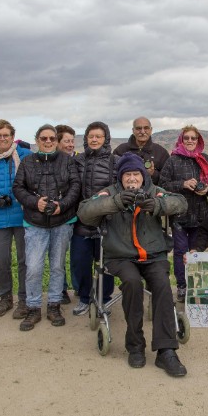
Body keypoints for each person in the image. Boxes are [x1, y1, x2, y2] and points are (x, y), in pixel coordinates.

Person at [78, 153, 189, 377]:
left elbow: (180, 203)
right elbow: (85, 212)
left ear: (142, 175)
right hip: (119, 256)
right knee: (131, 282)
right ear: (120, 177)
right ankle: (135, 344)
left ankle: (166, 351)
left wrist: (158, 205)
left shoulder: (154, 191)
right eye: (127, 174)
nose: (131, 179)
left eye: (135, 174)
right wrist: (116, 203)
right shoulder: (110, 192)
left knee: (162, 285)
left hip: (153, 255)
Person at [12, 124, 81, 331]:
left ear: (56, 140)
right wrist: (35, 203)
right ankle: (33, 307)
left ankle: (54, 305)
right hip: (35, 223)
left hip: (62, 221)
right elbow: (18, 187)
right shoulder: (27, 162)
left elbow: (75, 186)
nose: (48, 141)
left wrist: (63, 205)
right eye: (44, 138)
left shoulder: (67, 162)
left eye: (52, 138)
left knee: (58, 266)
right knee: (33, 267)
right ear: (37, 140)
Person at [0, 120, 34, 318]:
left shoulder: (25, 156)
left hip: (22, 215)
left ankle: (24, 300)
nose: (2, 138)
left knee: (24, 261)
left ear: (13, 136)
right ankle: (5, 298)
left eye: (6, 135)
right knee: (1, 261)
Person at [158, 125, 208, 299]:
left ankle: (195, 285)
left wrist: (207, 190)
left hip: (200, 214)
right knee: (180, 251)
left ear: (198, 141)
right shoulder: (172, 160)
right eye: (187, 138)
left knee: (196, 251)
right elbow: (163, 185)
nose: (190, 141)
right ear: (181, 140)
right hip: (179, 215)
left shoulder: (204, 159)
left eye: (193, 138)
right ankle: (182, 286)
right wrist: (182, 184)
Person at [71, 121, 119, 316]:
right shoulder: (77, 161)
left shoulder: (115, 161)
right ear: (86, 139)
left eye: (98, 136)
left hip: (107, 221)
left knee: (105, 263)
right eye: (91, 136)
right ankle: (84, 297)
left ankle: (104, 299)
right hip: (82, 221)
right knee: (79, 261)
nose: (94, 139)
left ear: (105, 139)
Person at [54, 124, 78, 305]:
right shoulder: (51, 162)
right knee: (59, 255)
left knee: (77, 254)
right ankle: (61, 289)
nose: (70, 145)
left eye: (72, 141)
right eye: (66, 141)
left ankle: (78, 287)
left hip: (79, 213)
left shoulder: (79, 160)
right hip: (59, 213)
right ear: (57, 142)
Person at [113, 116, 170, 185]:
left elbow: (167, 180)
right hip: (125, 193)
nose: (142, 132)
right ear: (133, 130)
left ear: (151, 130)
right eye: (138, 128)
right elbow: (113, 176)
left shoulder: (161, 152)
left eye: (146, 128)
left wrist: (153, 174)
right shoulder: (121, 150)